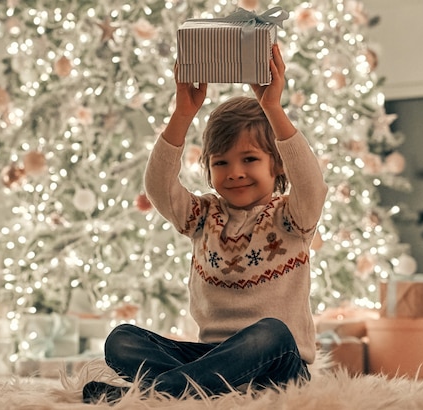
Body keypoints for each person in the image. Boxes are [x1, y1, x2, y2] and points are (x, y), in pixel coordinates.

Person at [83, 43, 328, 403]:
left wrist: (272, 108)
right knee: (121, 339)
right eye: (221, 163)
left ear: (277, 164)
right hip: (211, 357)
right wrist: (183, 113)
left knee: (271, 333)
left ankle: (153, 395)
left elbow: (312, 184)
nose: (236, 173)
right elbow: (158, 187)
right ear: (209, 170)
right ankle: (190, 389)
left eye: (249, 159)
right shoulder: (202, 217)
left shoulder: (291, 217)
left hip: (276, 365)